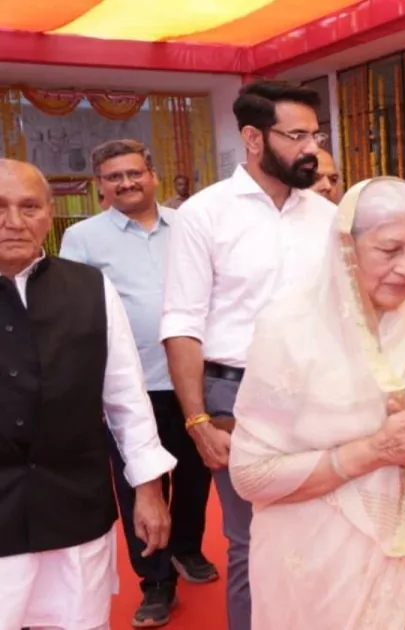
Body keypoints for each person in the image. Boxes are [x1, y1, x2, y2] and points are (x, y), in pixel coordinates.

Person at [229, 177, 405, 629]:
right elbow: (251, 475)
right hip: (317, 563)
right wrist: (375, 451)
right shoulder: (290, 329)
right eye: (390, 250)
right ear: (348, 247)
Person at [160, 80, 337, 630]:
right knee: (251, 542)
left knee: (323, 531)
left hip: (323, 392)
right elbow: (182, 323)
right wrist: (195, 419)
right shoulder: (206, 214)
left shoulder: (328, 217)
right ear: (254, 138)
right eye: (298, 135)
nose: (311, 147)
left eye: (316, 134)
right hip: (236, 394)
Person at [0, 158, 175, 630]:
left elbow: (126, 398)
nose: (14, 222)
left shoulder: (89, 288)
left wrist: (149, 489)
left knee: (79, 620)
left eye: (29, 207)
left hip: (75, 503)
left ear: (50, 213)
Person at [59, 140, 216, 628]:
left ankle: (187, 550)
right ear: (100, 185)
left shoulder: (189, 226)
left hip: (194, 379)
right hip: (129, 388)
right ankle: (154, 582)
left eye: (134, 172)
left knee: (196, 474)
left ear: (153, 174)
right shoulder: (83, 238)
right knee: (141, 486)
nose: (126, 182)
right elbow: (76, 312)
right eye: (114, 177)